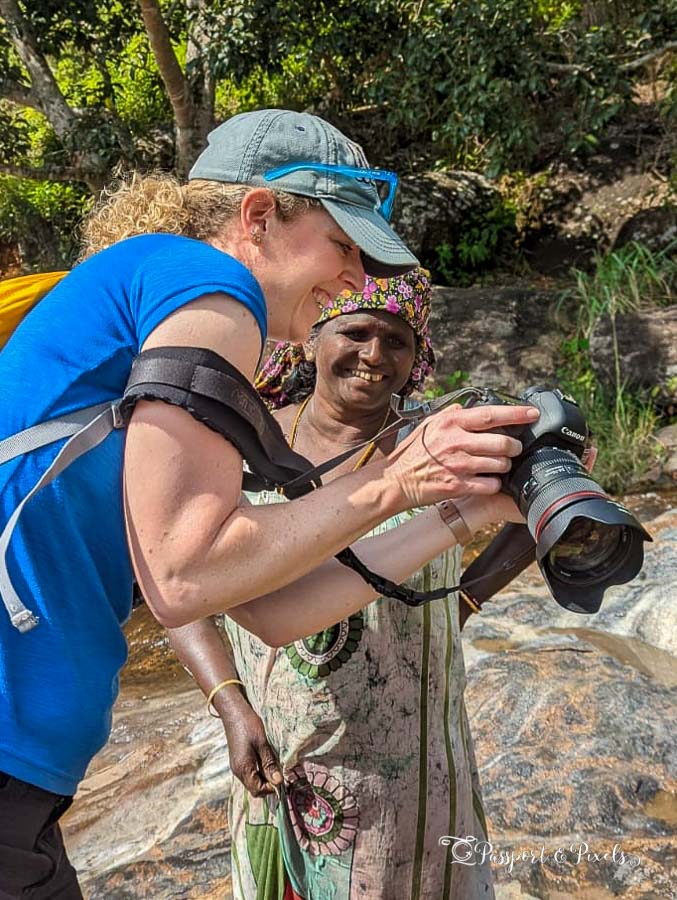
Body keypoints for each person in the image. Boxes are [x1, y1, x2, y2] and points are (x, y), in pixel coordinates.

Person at [0, 108, 538, 898]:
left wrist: (464, 510)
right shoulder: (210, 286)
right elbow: (185, 574)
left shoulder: (145, 289)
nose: (354, 279)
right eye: (342, 245)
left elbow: (272, 611)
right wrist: (398, 479)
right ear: (257, 216)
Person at [167, 269, 516, 899]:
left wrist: (465, 598)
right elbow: (176, 581)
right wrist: (230, 705)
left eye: (397, 341)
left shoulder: (439, 445)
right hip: (283, 759)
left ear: (416, 358)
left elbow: (535, 504)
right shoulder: (242, 445)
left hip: (416, 764)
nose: (374, 355)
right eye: (355, 333)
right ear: (311, 340)